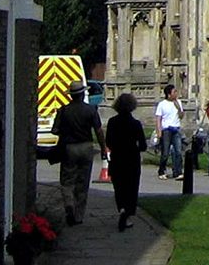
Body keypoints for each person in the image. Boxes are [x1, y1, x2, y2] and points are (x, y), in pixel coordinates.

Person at [50, 81, 105, 224]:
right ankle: (79, 215)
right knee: (82, 181)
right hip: (86, 147)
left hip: (69, 148)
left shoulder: (63, 110)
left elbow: (54, 130)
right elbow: (98, 131)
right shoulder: (91, 110)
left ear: (71, 96)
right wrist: (103, 148)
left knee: (67, 181)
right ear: (82, 94)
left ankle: (69, 203)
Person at [104, 93, 147, 232]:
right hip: (132, 159)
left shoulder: (112, 122)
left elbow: (108, 142)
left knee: (119, 187)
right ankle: (128, 214)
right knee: (131, 187)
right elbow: (143, 145)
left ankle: (121, 208)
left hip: (117, 158)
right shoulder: (135, 124)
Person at [153, 84, 184, 178]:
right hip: (166, 130)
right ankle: (162, 171)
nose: (176, 94)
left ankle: (178, 172)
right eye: (174, 92)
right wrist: (159, 131)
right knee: (165, 153)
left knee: (178, 152)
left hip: (176, 129)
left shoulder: (178, 102)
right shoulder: (162, 104)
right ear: (169, 94)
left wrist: (178, 107)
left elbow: (181, 116)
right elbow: (158, 118)